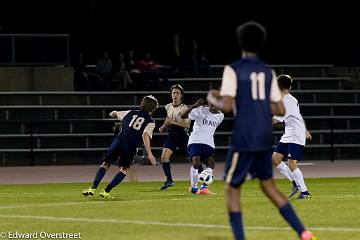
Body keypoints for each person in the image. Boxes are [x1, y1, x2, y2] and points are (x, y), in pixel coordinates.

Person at [207, 21, 317, 240]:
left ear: (239, 41)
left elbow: (227, 105)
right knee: (269, 186)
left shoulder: (233, 69)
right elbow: (278, 108)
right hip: (264, 136)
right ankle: (303, 232)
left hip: (245, 136)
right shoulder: (268, 72)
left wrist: (212, 97)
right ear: (262, 43)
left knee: (232, 189)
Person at [82, 95, 158, 198]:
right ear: (153, 109)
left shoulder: (130, 112)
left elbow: (114, 113)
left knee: (106, 164)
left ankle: (93, 188)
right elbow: (145, 135)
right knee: (124, 169)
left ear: (142, 104)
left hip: (119, 141)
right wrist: (150, 153)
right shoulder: (150, 122)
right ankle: (106, 191)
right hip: (131, 147)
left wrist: (112, 113)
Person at [272, 74, 312, 199]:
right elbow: (298, 115)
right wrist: (306, 130)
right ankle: (295, 182)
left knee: (291, 163)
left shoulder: (288, 100)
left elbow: (276, 120)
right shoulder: (286, 99)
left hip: (296, 134)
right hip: (289, 133)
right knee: (275, 159)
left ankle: (305, 193)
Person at [180, 100, 224, 195]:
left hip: (208, 143)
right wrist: (194, 106)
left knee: (211, 164)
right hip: (195, 141)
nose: (212, 105)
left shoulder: (221, 116)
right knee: (196, 161)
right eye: (211, 103)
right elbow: (183, 116)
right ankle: (194, 188)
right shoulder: (200, 110)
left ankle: (204, 187)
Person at [158, 84, 197, 190]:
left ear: (181, 96)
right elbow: (168, 119)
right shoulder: (168, 106)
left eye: (177, 93)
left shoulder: (184, 108)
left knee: (193, 158)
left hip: (182, 135)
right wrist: (163, 127)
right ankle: (169, 180)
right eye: (173, 93)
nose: (175, 95)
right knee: (164, 157)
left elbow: (187, 125)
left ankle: (203, 175)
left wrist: (172, 122)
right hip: (172, 135)